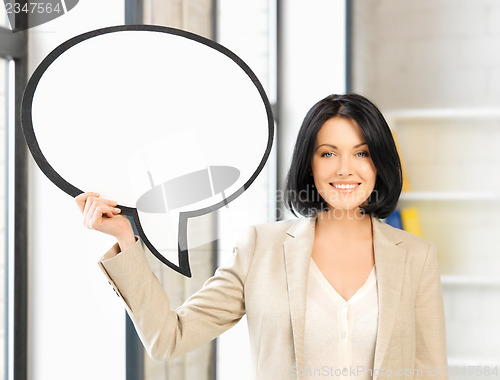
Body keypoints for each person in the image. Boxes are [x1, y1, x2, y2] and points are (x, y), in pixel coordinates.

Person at [76, 93, 448, 379]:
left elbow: (430, 371)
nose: (345, 169)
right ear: (309, 163)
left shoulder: (416, 256)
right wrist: (126, 238)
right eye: (328, 153)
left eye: (361, 153)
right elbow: (168, 337)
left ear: (378, 162)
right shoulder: (261, 249)